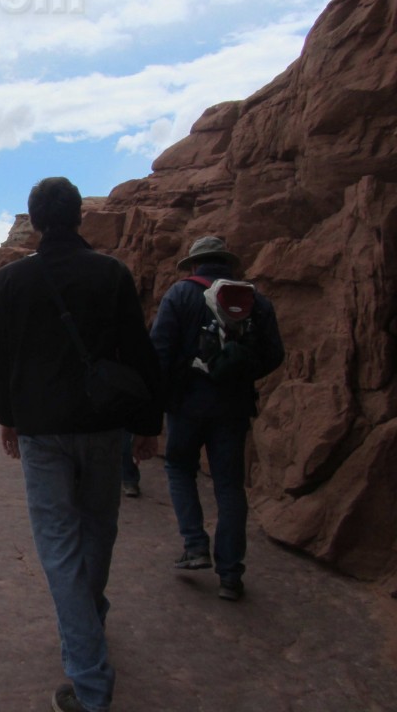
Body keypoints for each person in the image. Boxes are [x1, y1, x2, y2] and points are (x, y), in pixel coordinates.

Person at [0, 177, 162, 712]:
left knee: (59, 547)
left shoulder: (13, 280)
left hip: (41, 432)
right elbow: (138, 354)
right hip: (103, 426)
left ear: (34, 220)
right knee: (98, 531)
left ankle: (90, 683)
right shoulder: (111, 273)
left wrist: (8, 419)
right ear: (80, 216)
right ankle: (90, 624)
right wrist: (149, 425)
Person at [141, 236, 284, 602]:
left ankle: (194, 546)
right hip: (233, 408)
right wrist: (239, 372)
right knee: (229, 486)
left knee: (178, 468)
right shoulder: (256, 300)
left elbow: (158, 352)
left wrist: (155, 406)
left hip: (186, 404)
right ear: (227, 264)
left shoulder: (180, 294)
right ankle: (231, 574)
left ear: (194, 265)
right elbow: (274, 355)